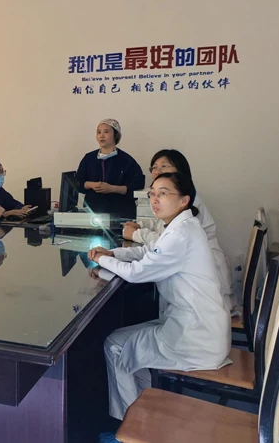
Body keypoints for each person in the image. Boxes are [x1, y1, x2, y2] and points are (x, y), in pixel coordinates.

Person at [88, 172, 230, 422]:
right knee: (124, 343)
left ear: (184, 200)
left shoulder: (180, 234)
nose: (154, 199)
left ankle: (130, 426)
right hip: (194, 325)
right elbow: (148, 251)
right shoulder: (180, 226)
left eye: (163, 194)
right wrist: (113, 253)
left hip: (196, 337)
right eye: (152, 193)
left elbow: (137, 273)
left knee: (116, 346)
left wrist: (102, 259)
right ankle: (144, 416)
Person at [122, 150, 235, 313]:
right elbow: (161, 225)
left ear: (180, 170)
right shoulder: (173, 196)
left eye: (164, 166)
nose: (157, 171)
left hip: (203, 292)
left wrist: (136, 234)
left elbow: (168, 241)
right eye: (154, 167)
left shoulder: (187, 201)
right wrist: (139, 225)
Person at [75, 119, 144, 219]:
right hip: (93, 214)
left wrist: (112, 188)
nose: (101, 136)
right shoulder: (89, 158)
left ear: (115, 135)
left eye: (106, 132)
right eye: (99, 132)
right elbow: (77, 182)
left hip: (121, 214)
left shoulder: (127, 160)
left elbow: (137, 187)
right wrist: (91, 185)